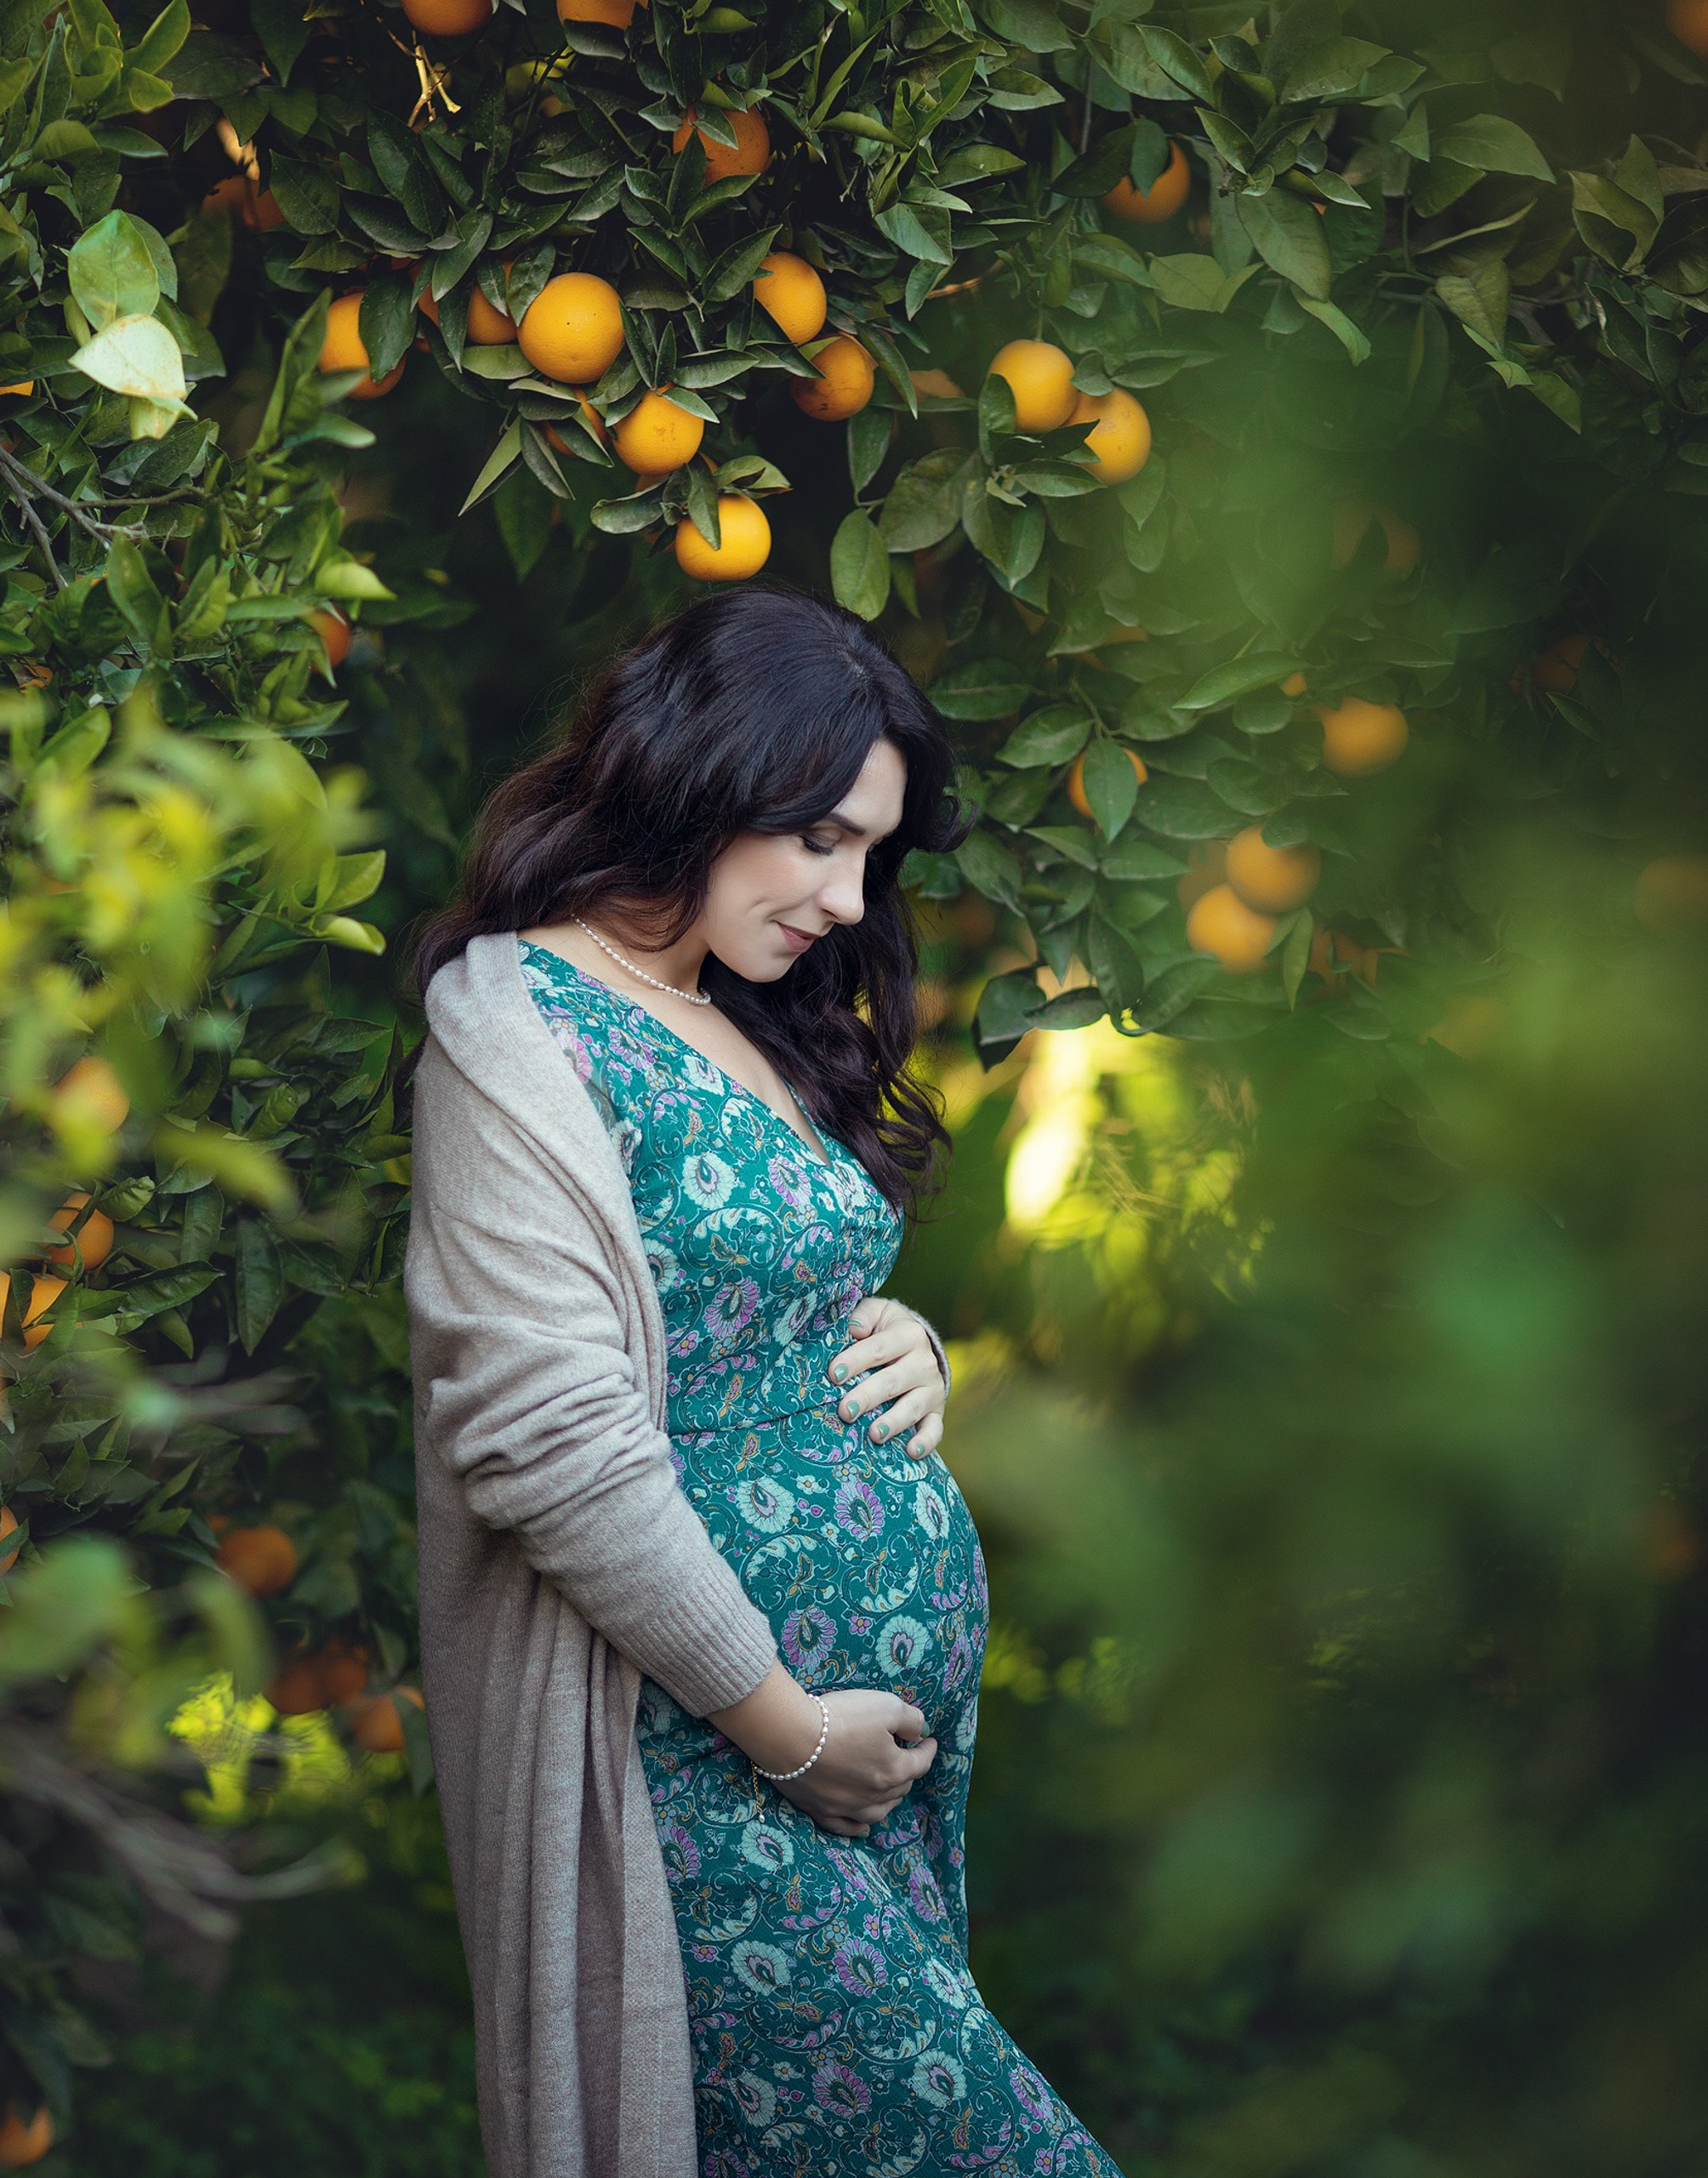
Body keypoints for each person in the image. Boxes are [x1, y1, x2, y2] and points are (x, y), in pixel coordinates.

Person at [407, 588, 1122, 2178]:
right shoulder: (517, 1020)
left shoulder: (747, 1017)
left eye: (870, 854)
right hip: (695, 1778)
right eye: (818, 838)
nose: (845, 894)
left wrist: (902, 1343)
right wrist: (784, 1725)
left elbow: (756, 1295)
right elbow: (540, 1434)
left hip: (849, 1786)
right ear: (701, 777)